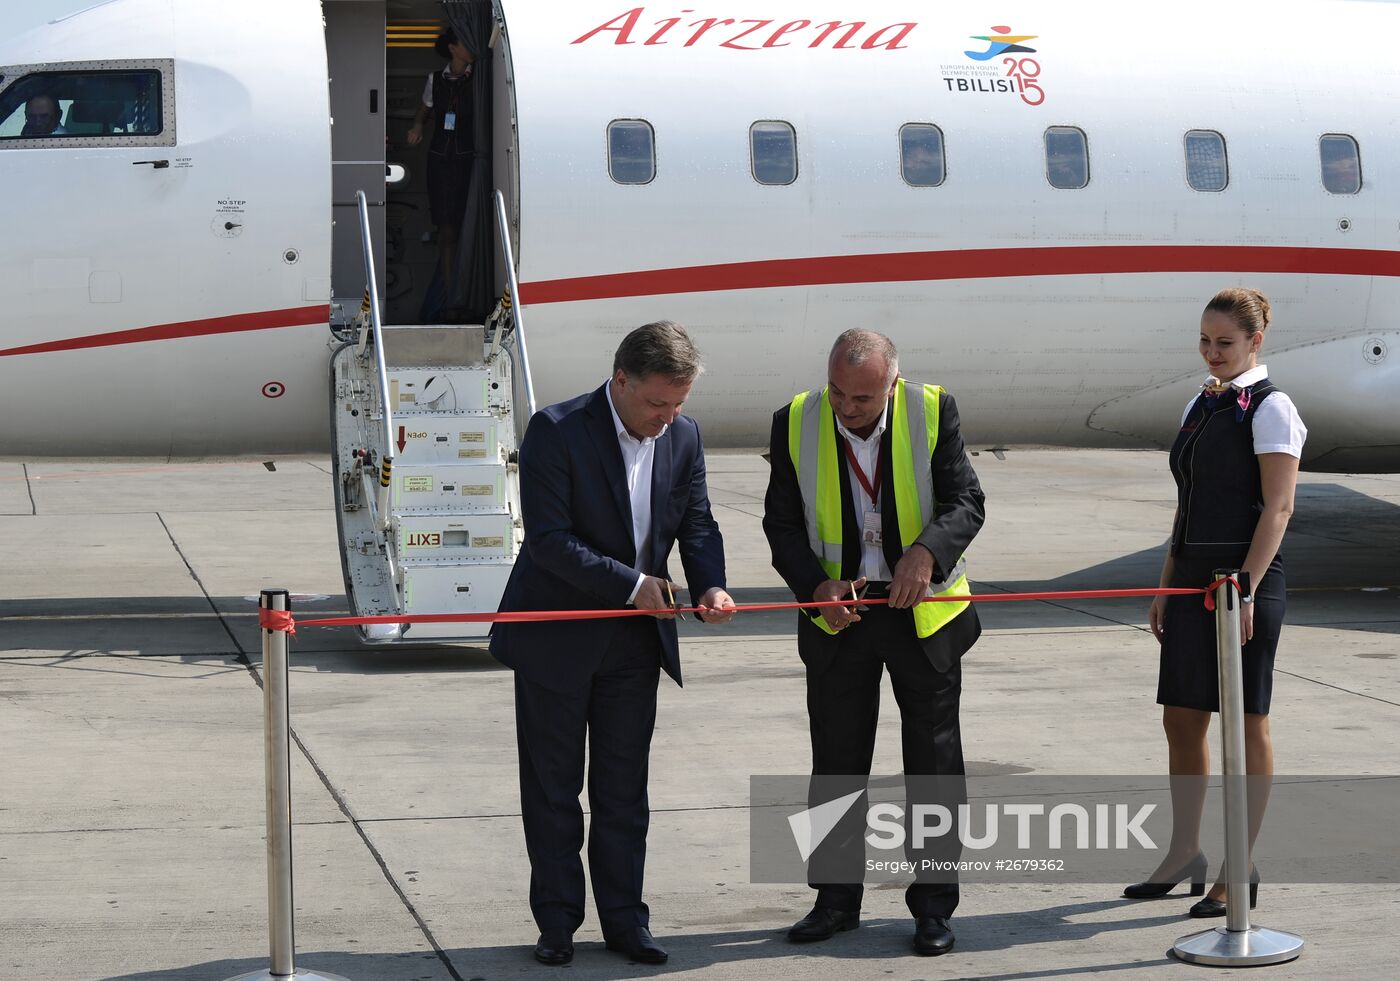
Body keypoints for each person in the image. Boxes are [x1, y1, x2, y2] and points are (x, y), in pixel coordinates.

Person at [491, 320, 737, 967]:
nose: (667, 417)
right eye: (657, 403)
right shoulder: (557, 430)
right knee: (553, 790)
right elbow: (549, 540)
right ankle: (557, 923)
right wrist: (632, 585)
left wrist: (711, 585)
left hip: (634, 643)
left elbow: (697, 522)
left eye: (678, 404)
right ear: (621, 380)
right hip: (556, 638)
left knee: (624, 792)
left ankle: (627, 921)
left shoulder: (683, 435)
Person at [763, 329, 985, 957]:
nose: (846, 406)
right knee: (836, 762)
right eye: (837, 391)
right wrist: (815, 586)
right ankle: (835, 901)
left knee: (933, 768)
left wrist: (927, 553)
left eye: (862, 397)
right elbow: (781, 524)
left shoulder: (932, 410)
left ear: (893, 383)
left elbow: (967, 501)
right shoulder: (796, 420)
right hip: (842, 614)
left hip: (921, 614)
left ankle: (934, 907)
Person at [1124, 287, 1306, 917]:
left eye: (1225, 342)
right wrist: (1166, 579)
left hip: (1245, 579)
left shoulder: (1272, 408)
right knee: (1180, 719)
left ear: (1256, 341)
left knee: (1247, 722)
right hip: (1192, 577)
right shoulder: (1200, 403)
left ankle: (1238, 866)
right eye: (1204, 340)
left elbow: (1279, 508)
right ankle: (1184, 853)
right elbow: (1188, 502)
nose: (1212, 352)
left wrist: (1246, 587)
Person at [406, 28, 475, 309]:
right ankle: (449, 296)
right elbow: (424, 109)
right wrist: (417, 126)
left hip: (468, 159)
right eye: (465, 43)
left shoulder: (479, 78)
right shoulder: (435, 79)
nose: (471, 49)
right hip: (440, 160)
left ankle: (464, 292)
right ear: (452, 48)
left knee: (465, 225)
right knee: (446, 229)